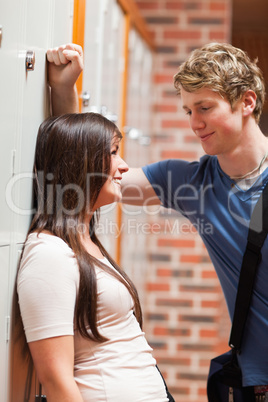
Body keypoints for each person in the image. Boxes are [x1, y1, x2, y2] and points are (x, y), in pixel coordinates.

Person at [46, 42, 268, 398]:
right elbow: (86, 174)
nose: (195, 123)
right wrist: (62, 88)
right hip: (254, 385)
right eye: (188, 111)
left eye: (205, 108)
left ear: (247, 102)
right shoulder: (192, 183)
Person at [17, 112, 172, 401]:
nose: (124, 166)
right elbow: (56, 381)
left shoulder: (84, 240)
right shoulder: (48, 254)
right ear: (80, 163)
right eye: (113, 152)